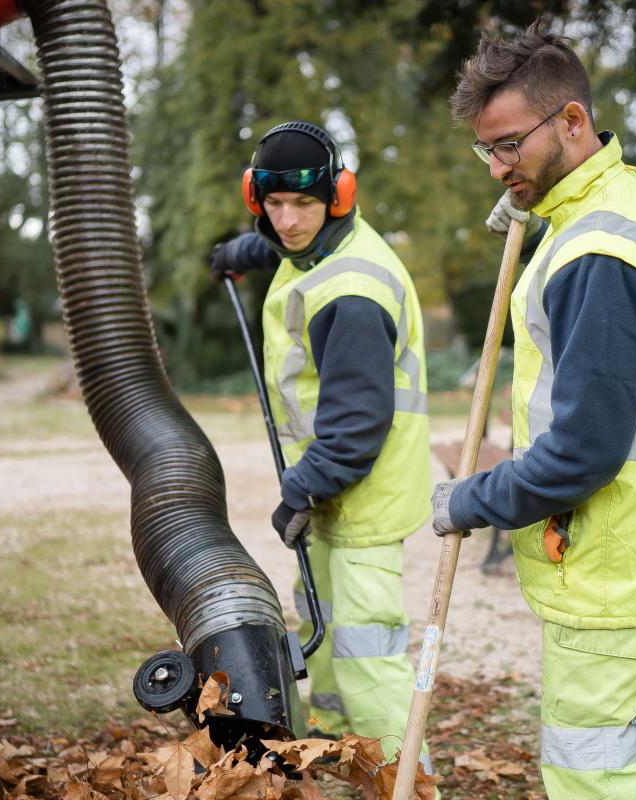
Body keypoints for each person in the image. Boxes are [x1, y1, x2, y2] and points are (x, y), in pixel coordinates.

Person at [430, 24, 636, 799]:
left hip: (610, 553)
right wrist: (540, 209)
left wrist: (470, 499)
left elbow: (583, 453)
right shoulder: (604, 209)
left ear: (569, 121)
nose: (496, 169)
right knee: (627, 731)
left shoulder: (600, 252)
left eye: (507, 146)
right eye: (485, 151)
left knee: (590, 760)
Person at [209, 121, 434, 775]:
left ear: (338, 196)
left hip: (361, 490)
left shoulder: (354, 292)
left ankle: (402, 780)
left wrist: (300, 489)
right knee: (328, 631)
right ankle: (344, 755)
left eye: (303, 205)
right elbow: (282, 248)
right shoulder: (307, 248)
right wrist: (240, 252)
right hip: (338, 488)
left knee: (367, 654)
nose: (288, 221)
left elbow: (357, 424)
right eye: (273, 206)